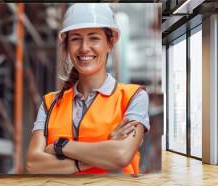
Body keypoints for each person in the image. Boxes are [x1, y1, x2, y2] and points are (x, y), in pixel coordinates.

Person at [25, 3, 150, 175]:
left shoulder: (133, 97)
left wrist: (59, 147)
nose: (84, 47)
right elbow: (33, 164)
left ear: (110, 43)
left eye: (94, 38)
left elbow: (121, 155)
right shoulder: (50, 103)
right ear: (67, 46)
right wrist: (102, 152)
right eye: (76, 38)